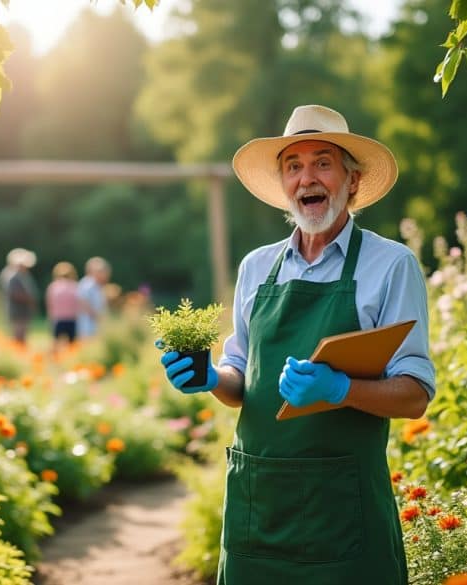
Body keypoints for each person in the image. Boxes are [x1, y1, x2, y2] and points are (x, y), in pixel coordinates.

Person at [158, 105, 435, 584]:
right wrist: (210, 378)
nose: (308, 178)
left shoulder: (390, 265)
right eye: (294, 165)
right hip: (258, 508)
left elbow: (414, 395)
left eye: (323, 162)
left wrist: (340, 389)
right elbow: (239, 380)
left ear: (352, 179)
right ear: (285, 186)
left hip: (343, 512)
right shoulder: (256, 267)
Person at [0, 248, 38, 344]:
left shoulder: (22, 275)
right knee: (18, 336)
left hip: (22, 311)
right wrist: (29, 299)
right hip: (17, 311)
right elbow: (14, 294)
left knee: (22, 336)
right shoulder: (12, 276)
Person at [76, 256, 111, 338]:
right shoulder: (87, 284)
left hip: (96, 324)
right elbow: (83, 302)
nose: (104, 274)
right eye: (101, 271)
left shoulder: (98, 285)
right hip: (88, 325)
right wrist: (97, 316)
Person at [46, 261, 79, 345]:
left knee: (56, 344)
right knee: (72, 345)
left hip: (58, 319)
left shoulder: (53, 286)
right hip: (72, 319)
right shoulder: (75, 286)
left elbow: (50, 305)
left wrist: (50, 319)